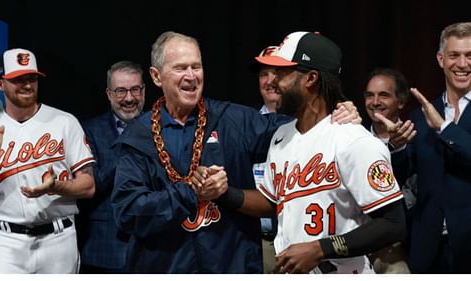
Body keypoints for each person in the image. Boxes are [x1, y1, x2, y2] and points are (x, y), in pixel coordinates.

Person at [110, 31, 360, 273]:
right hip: (165, 267)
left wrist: (333, 112)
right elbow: (128, 212)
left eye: (196, 67)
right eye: (180, 68)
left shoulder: (232, 120)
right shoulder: (138, 137)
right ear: (156, 76)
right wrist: (190, 192)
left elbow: (295, 128)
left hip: (232, 265)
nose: (191, 76)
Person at [192, 31, 407, 274]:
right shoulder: (282, 136)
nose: (273, 82)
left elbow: (393, 224)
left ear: (311, 78)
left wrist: (321, 248)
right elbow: (272, 201)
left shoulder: (353, 140)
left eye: (282, 73)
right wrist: (222, 192)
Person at [0, 48, 95, 273]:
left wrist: (57, 186)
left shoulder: (65, 122)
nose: (27, 85)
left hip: (59, 239)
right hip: (7, 242)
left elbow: (88, 187)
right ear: (0, 84)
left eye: (32, 78)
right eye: (18, 80)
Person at [384, 22, 471, 273]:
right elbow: (400, 179)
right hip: (427, 248)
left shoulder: (434, 119)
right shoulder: (420, 116)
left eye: (469, 56)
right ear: (440, 59)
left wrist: (444, 128)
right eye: (454, 55)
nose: (462, 64)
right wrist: (397, 148)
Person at [77, 60, 146, 273]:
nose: (129, 98)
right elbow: (91, 186)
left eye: (135, 90)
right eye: (120, 91)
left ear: (143, 91)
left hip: (152, 247)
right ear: (108, 94)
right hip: (104, 249)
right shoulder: (88, 130)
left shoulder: (161, 126)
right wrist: (131, 142)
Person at [362, 67, 415, 273]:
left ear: (400, 102)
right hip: (353, 242)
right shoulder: (353, 139)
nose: (375, 102)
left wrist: (396, 148)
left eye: (384, 95)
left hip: (397, 247)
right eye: (369, 95)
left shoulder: (416, 140)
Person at [251, 45, 280, 273]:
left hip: (300, 242)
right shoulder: (244, 125)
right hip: (256, 242)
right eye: (263, 74)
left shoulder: (312, 125)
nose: (270, 80)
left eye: (276, 73)